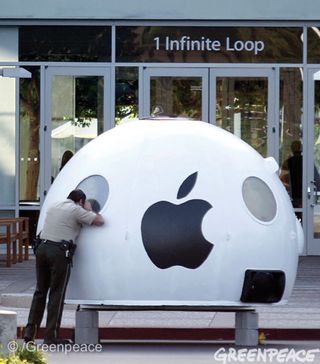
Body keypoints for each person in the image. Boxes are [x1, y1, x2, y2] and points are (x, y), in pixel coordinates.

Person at [24, 189, 104, 345]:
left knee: (40, 292)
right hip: (58, 252)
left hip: (41, 248)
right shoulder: (76, 209)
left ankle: (29, 333)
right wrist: (89, 208)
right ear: (80, 200)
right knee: (56, 294)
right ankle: (50, 337)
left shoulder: (54, 205)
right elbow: (100, 221)